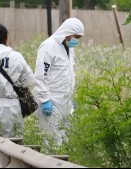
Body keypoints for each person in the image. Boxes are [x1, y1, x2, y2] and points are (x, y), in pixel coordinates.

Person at [33, 18, 85, 147]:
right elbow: (40, 76)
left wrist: (73, 97)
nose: (77, 40)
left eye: (79, 37)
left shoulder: (68, 49)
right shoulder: (48, 46)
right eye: (76, 36)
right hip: (51, 102)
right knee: (51, 142)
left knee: (66, 141)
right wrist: (45, 100)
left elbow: (70, 74)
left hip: (65, 102)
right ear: (67, 33)